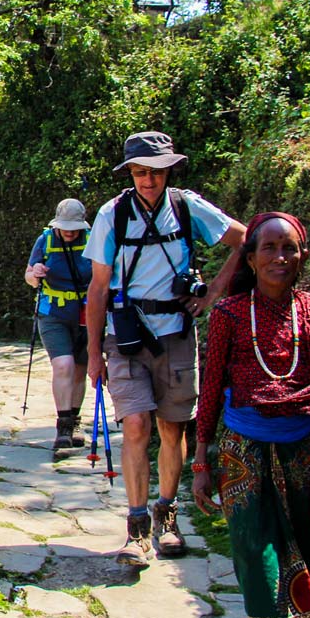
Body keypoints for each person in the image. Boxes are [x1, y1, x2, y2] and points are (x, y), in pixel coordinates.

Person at [192, 212, 310, 618]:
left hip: (305, 450)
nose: (280, 258)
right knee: (257, 557)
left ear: (302, 255)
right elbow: (212, 387)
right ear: (251, 257)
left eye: (290, 249)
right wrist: (202, 461)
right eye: (270, 248)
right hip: (244, 450)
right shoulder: (229, 314)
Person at [84, 131, 246, 568]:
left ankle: (167, 517)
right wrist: (94, 351)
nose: (148, 180)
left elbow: (246, 239)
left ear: (169, 170)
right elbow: (98, 289)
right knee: (136, 425)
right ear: (130, 173)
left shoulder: (187, 206)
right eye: (140, 172)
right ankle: (136, 530)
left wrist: (211, 293)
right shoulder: (111, 215)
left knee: (172, 429)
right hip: (126, 337)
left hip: (175, 333)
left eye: (156, 172)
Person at [25, 199, 92, 452]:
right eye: (66, 227)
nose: (70, 231)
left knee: (79, 369)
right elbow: (29, 276)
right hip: (52, 312)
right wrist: (36, 273)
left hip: (86, 314)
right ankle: (63, 427)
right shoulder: (46, 240)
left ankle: (75, 421)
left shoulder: (92, 238)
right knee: (63, 365)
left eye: (74, 227)